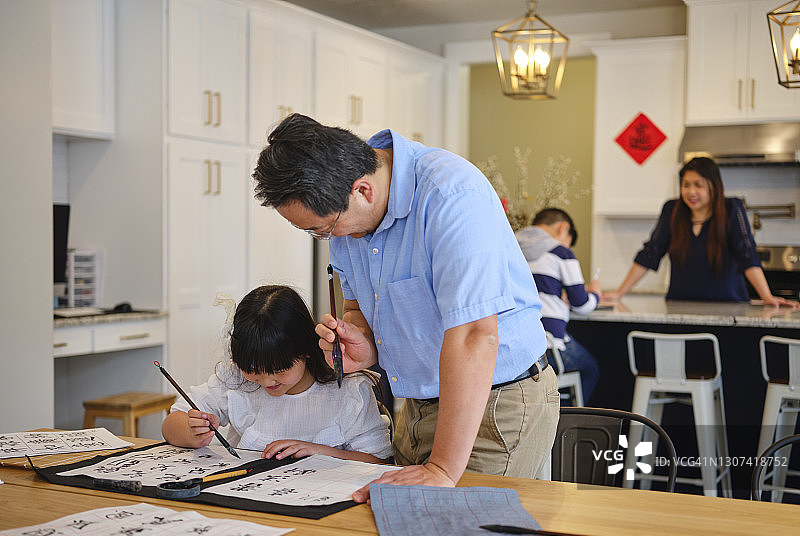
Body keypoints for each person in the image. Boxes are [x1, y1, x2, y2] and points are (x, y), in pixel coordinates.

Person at [252, 114, 559, 502]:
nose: (325, 238)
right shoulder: (348, 213)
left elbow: (475, 335)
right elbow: (357, 307)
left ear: (362, 190)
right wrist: (360, 343)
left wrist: (442, 469)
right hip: (415, 406)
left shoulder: (451, 195)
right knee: (395, 531)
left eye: (323, 229)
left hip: (494, 404)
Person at [161, 285, 392, 464]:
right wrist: (191, 431)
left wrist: (321, 453)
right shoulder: (235, 379)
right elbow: (171, 424)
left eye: (279, 371)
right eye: (252, 371)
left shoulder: (346, 390)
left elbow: (379, 460)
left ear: (306, 351)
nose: (266, 381)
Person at [605, 156, 799, 307]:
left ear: (713, 186)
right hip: (679, 306)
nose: (691, 192)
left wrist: (766, 296)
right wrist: (619, 293)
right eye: (686, 185)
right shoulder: (672, 210)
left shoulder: (732, 208)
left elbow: (747, 254)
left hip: (729, 306)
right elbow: (650, 253)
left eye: (699, 185)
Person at [516, 208, 601, 402]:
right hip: (548, 349)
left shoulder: (510, 246)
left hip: (517, 349)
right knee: (590, 369)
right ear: (564, 228)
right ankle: (568, 425)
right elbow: (582, 304)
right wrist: (596, 293)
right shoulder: (561, 252)